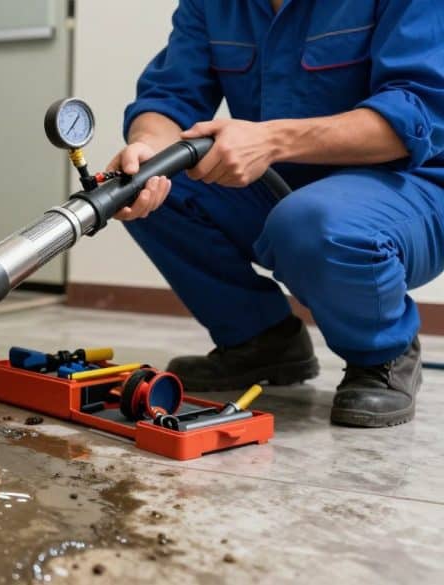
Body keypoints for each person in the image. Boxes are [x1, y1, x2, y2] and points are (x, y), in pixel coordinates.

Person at [109, 0, 444, 427]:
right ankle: (261, 342)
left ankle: (384, 351)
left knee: (312, 222)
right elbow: (170, 96)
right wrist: (148, 152)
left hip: (411, 188)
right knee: (150, 188)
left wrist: (271, 140)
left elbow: (416, 114)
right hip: (283, 187)